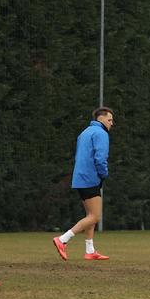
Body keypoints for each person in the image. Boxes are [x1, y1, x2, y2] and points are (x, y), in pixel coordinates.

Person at [53, 107, 115, 261]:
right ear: (100, 119)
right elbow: (100, 159)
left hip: (80, 178)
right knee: (95, 216)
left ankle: (90, 250)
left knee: (90, 215)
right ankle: (62, 239)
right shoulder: (101, 133)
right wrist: (104, 174)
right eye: (110, 120)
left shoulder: (84, 132)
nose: (112, 123)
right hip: (90, 178)